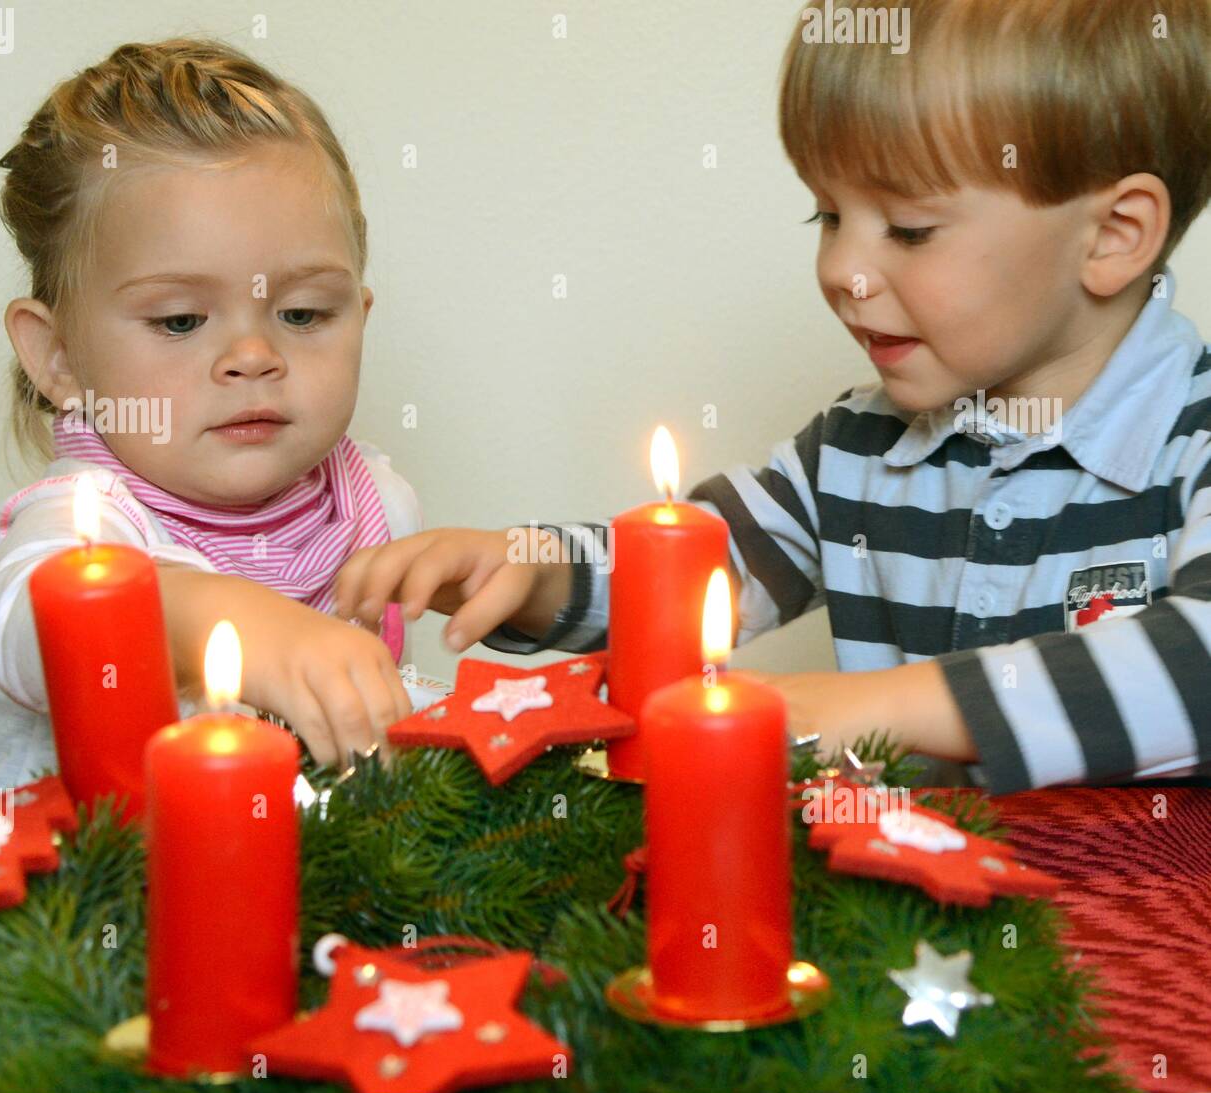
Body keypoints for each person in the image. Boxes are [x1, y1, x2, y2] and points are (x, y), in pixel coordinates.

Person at [334, 0, 1211, 796]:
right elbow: (698, 565)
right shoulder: (857, 446)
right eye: (828, 217)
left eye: (908, 229)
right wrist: (532, 570)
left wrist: (854, 707)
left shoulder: (1192, 436)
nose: (842, 270)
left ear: (1113, 235)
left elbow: (1197, 668)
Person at [0, 38, 417, 791]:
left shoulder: (375, 507)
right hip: (88, 896)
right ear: (59, 356)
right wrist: (211, 611)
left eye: (302, 313)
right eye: (178, 322)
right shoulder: (84, 521)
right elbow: (35, 623)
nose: (252, 355)